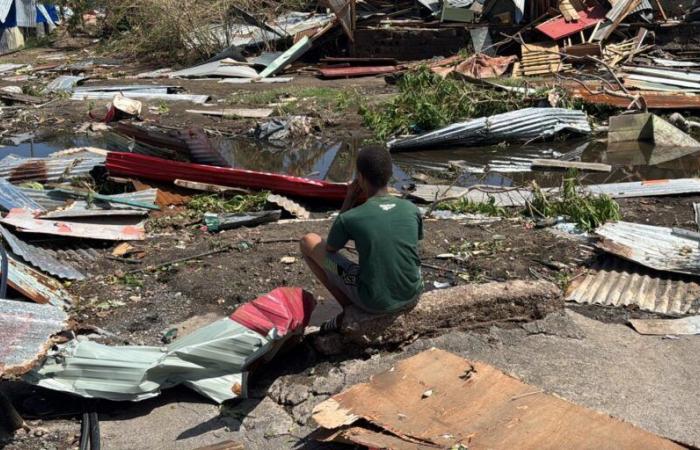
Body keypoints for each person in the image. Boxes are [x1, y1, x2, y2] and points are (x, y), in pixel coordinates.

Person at [299, 147, 423, 331]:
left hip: (374, 300)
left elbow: (331, 248)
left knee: (308, 242)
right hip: (412, 292)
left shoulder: (351, 217)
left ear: (361, 178)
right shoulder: (411, 209)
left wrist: (349, 199)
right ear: (389, 176)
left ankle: (348, 308)